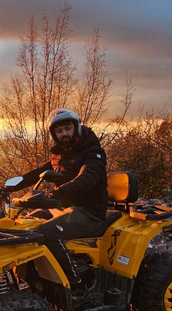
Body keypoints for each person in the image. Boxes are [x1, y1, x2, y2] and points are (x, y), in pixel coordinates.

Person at [11, 108, 108, 292]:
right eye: (59, 131)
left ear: (77, 127)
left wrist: (59, 193)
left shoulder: (93, 153)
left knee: (47, 233)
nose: (64, 134)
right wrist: (9, 186)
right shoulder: (61, 154)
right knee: (25, 225)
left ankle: (75, 285)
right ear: (54, 134)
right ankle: (33, 279)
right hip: (63, 207)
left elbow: (86, 178)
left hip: (88, 212)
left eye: (67, 128)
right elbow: (36, 174)